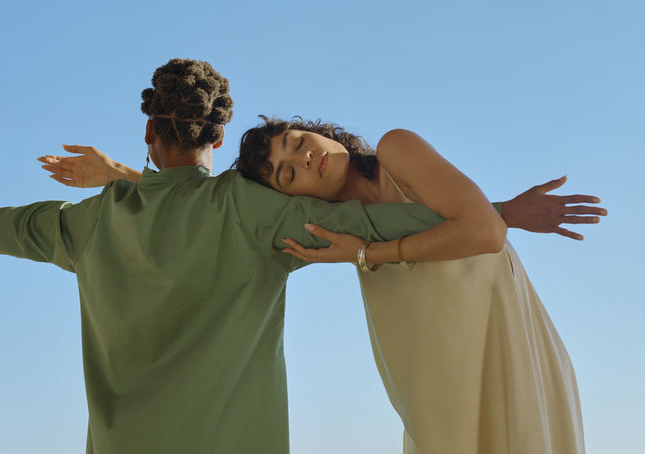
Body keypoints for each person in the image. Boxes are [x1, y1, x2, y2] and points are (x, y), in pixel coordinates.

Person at [0, 59, 470, 454]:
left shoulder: (91, 222)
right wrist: (490, 214)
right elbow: (396, 218)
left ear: (149, 133)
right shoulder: (255, 212)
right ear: (220, 136)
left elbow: (12, 227)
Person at [39, 117, 605, 454]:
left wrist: (366, 255)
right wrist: (123, 177)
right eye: (287, 174)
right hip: (435, 375)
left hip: (500, 341)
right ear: (289, 201)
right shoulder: (327, 230)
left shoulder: (395, 151)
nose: (303, 157)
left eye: (295, 140)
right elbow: (215, 210)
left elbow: (482, 231)